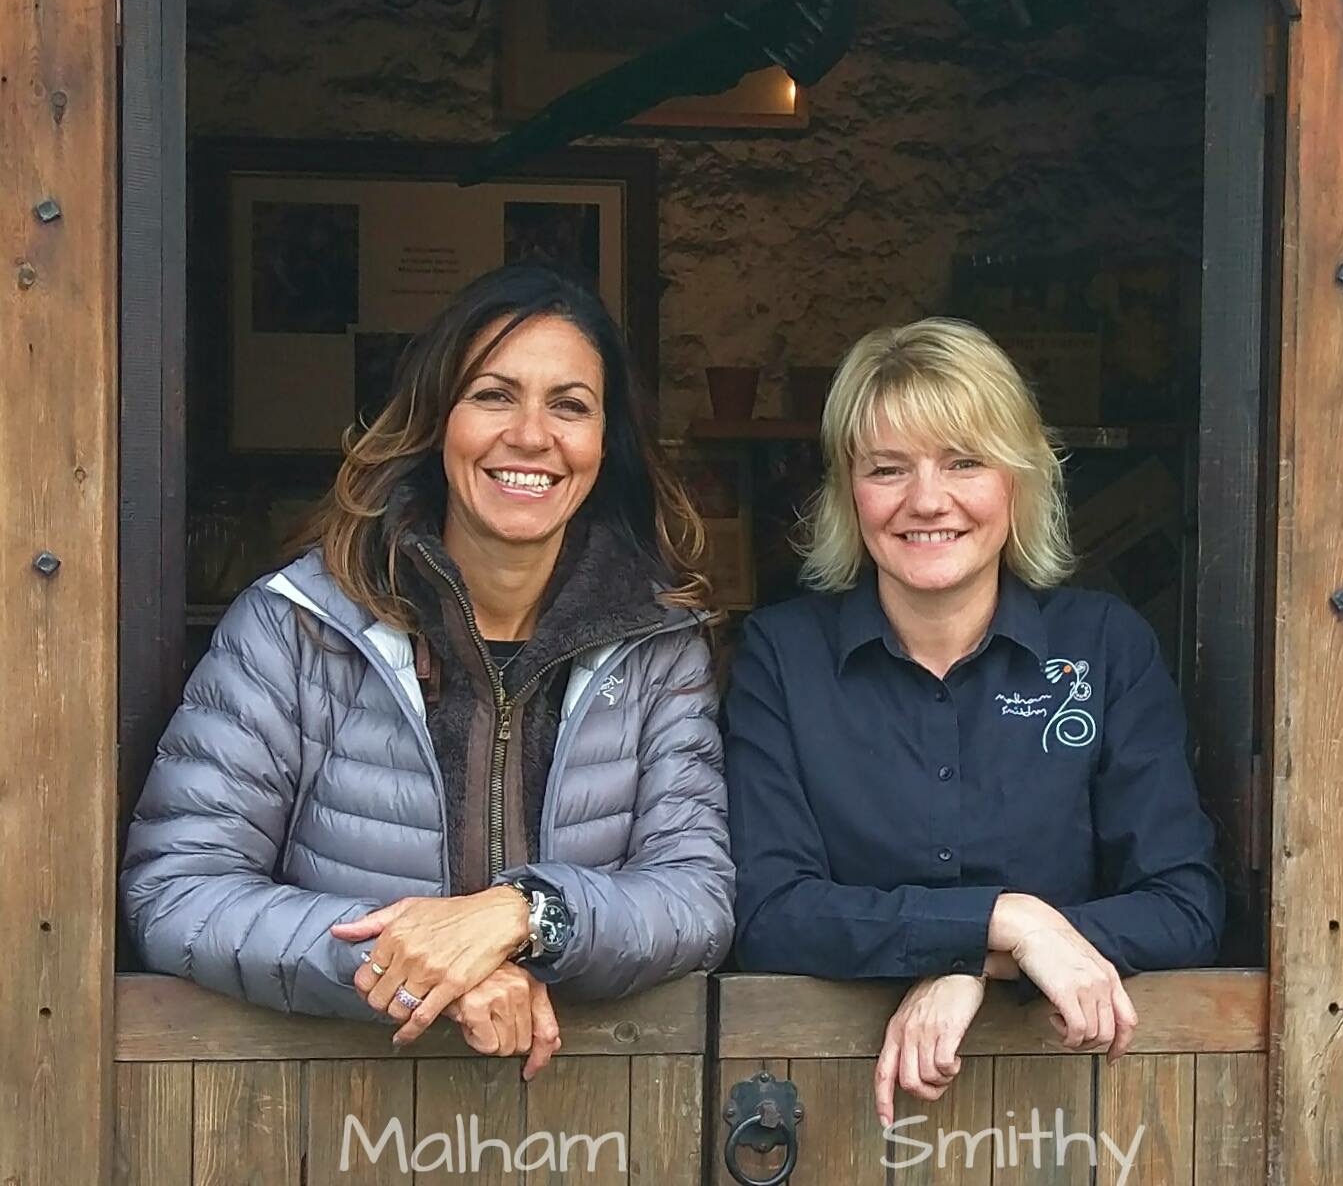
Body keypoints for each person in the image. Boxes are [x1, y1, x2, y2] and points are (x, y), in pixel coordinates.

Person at [121, 264, 734, 1071]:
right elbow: (178, 891)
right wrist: (413, 966)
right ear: (437, 419)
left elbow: (696, 898)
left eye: (571, 405)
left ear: (603, 442)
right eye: (492, 394)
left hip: (590, 1117)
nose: (531, 434)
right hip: (327, 1116)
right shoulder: (299, 627)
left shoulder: (657, 644)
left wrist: (525, 914)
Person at [722, 317, 1223, 1123]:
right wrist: (1008, 919)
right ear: (849, 494)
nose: (928, 500)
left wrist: (975, 963)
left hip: (1083, 1120)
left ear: (1018, 481)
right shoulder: (782, 655)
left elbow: (1185, 902)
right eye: (888, 469)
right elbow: (770, 915)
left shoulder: (1104, 644)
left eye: (964, 462)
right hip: (826, 1114)